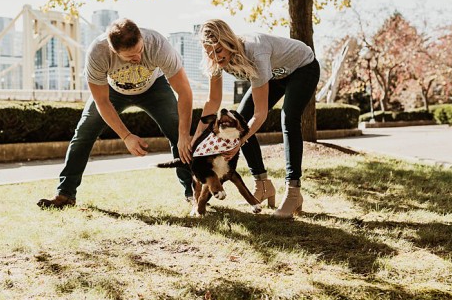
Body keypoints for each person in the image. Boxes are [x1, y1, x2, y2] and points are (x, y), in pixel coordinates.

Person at [37, 18, 194, 209]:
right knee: (83, 134)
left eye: (140, 50)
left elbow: (184, 91)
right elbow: (102, 101)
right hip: (112, 92)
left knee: (177, 131)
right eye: (130, 57)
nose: (137, 58)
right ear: (113, 50)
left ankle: (192, 191)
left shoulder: (157, 44)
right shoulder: (98, 53)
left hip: (155, 87)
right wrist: (126, 136)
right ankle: (65, 194)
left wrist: (184, 134)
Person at [198, 20, 322, 218]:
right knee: (241, 121)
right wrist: (198, 134)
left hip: (303, 67)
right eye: (209, 52)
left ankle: (293, 192)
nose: (215, 56)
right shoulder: (216, 62)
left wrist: (238, 142)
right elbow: (213, 100)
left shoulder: (255, 51)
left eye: (218, 50)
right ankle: (263, 184)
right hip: (275, 75)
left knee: (289, 118)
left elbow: (261, 113)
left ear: (229, 41)